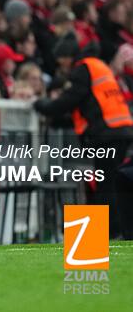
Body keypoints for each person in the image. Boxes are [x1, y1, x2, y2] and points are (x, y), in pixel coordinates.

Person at [34, 34, 133, 239]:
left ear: (68, 56)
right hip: (120, 129)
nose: (61, 65)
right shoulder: (98, 66)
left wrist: (42, 106)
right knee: (111, 183)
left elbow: (69, 100)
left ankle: (107, 235)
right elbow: (88, 108)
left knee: (105, 186)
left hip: (106, 134)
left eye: (61, 59)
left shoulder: (83, 69)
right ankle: (115, 232)